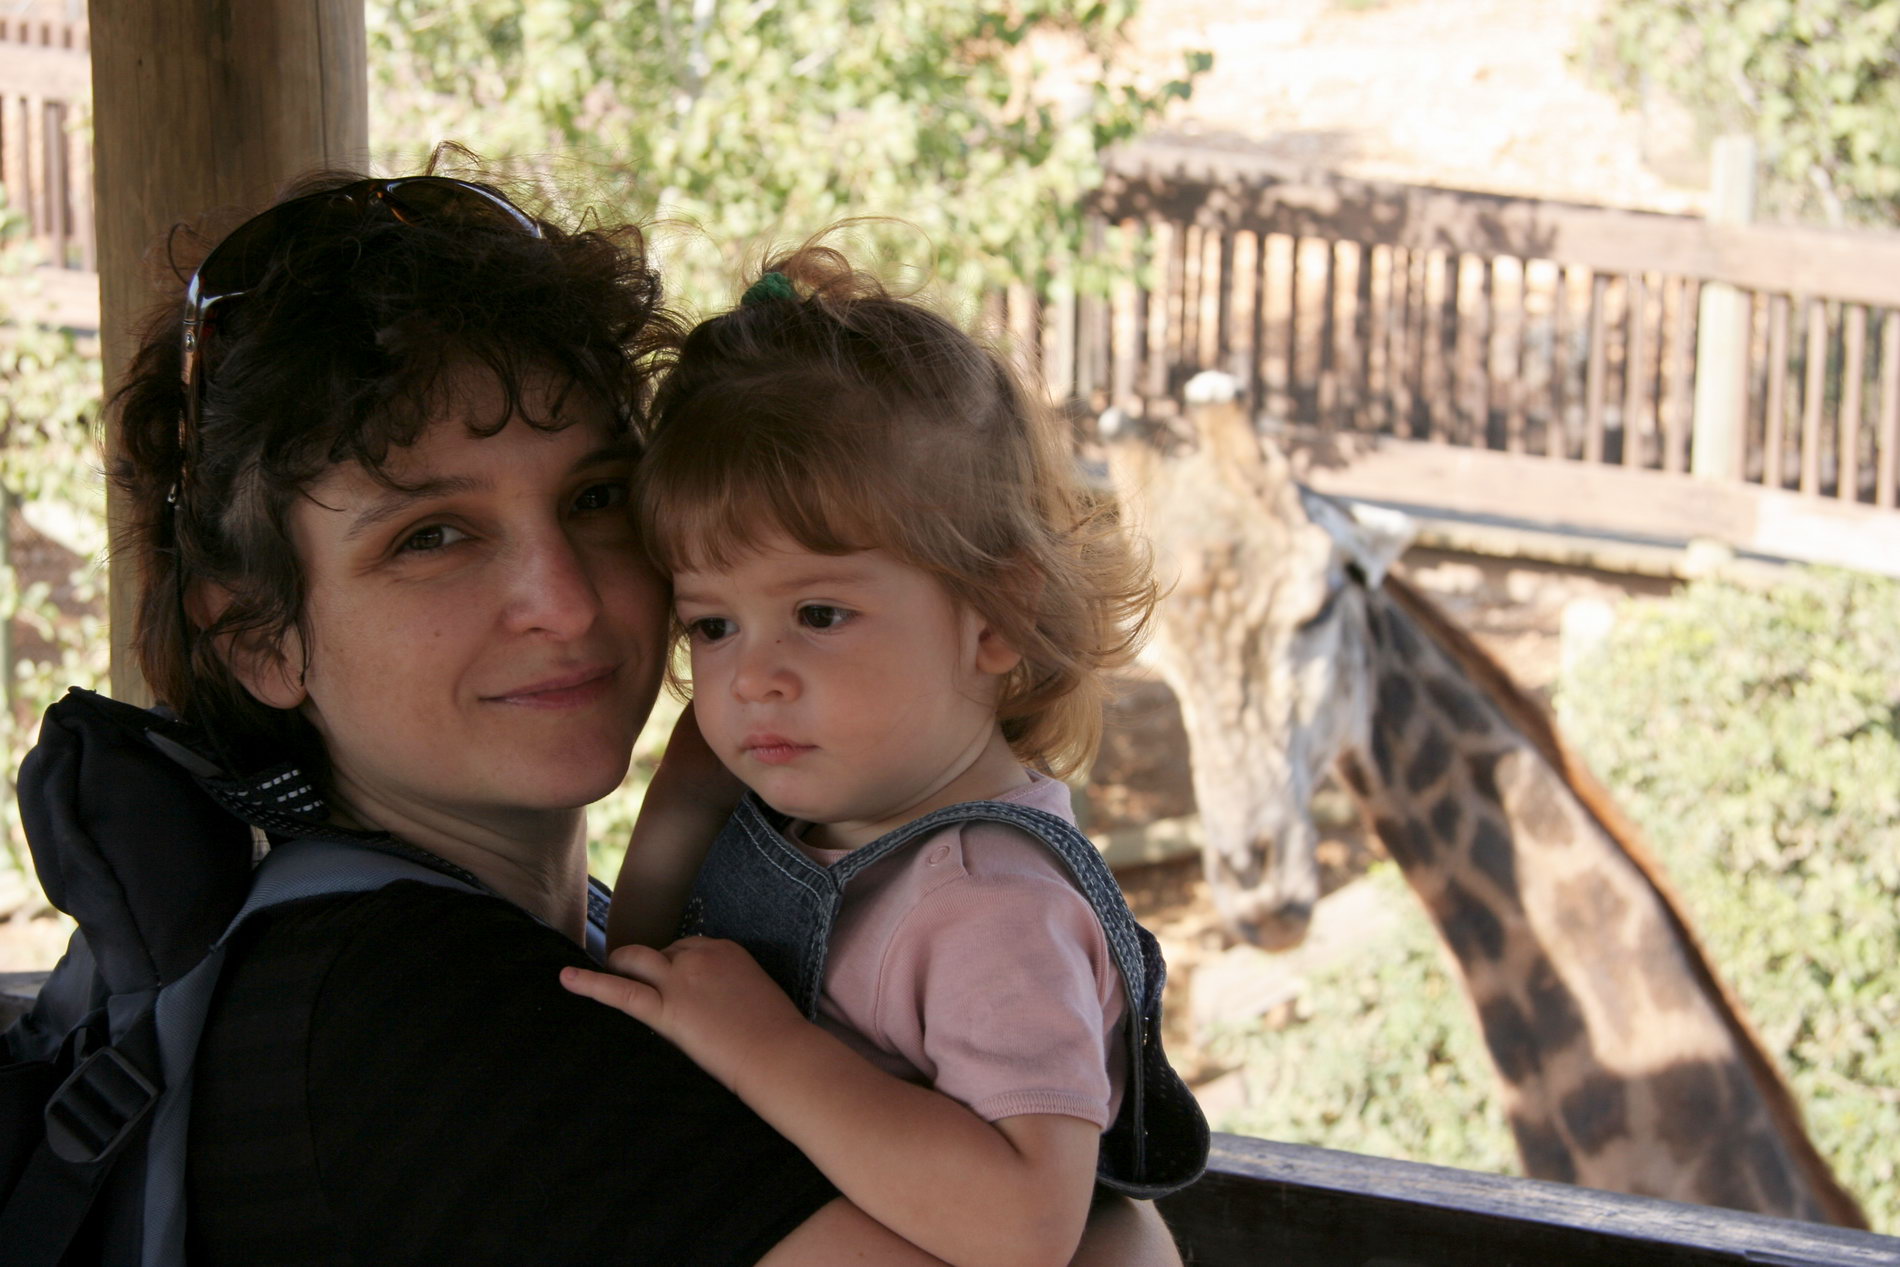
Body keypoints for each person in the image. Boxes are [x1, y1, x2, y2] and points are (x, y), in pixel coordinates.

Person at [106, 167, 1184, 1264]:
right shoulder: (418, 1025)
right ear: (258, 636)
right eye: (430, 536)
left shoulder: (560, 932)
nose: (565, 601)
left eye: (596, 497)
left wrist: (688, 806)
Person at [560, 247, 1208, 1267]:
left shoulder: (988, 903)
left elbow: (1026, 1228)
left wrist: (764, 1047)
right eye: (714, 625)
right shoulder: (820, 816)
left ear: (997, 615)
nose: (752, 677)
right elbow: (650, 991)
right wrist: (683, 806)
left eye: (818, 614)